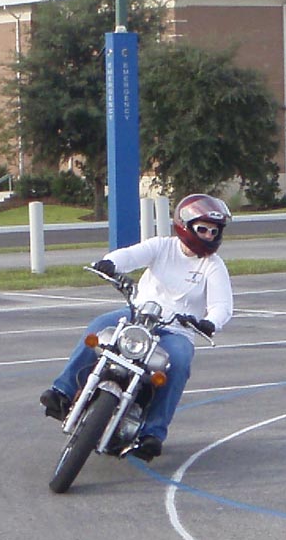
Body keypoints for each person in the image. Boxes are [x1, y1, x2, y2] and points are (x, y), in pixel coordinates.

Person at [40, 194, 234, 461]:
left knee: (178, 362)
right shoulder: (162, 246)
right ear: (185, 226)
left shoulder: (213, 266)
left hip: (177, 330)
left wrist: (210, 322)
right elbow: (131, 255)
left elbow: (222, 305)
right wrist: (111, 263)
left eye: (214, 231)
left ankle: (152, 433)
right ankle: (62, 391)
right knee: (99, 328)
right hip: (138, 315)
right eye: (203, 229)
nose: (209, 236)